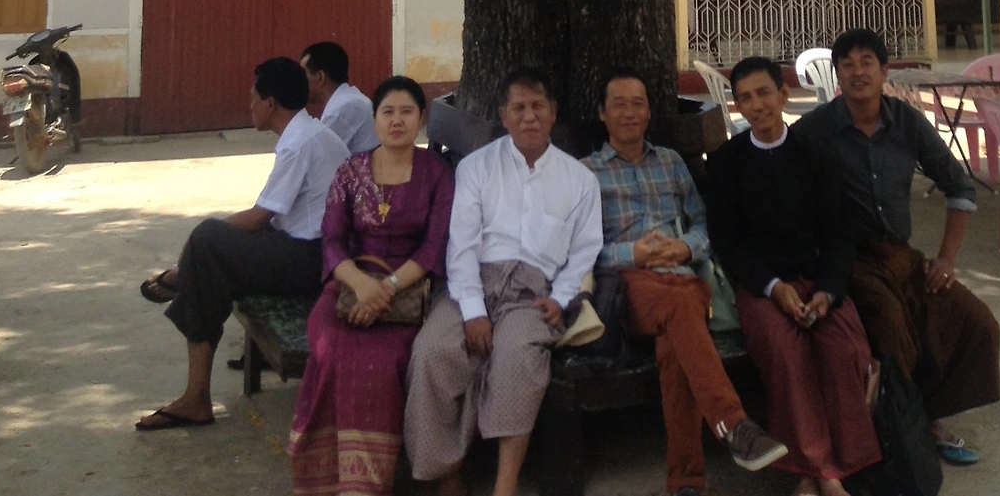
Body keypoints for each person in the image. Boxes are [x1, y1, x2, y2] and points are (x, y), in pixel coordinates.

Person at [795, 28, 1000, 467]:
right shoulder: (815, 130)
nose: (858, 72)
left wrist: (947, 259)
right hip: (851, 261)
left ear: (884, 70)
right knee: (890, 327)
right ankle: (907, 433)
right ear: (837, 75)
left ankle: (930, 414)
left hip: (904, 256)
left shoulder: (906, 122)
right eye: (847, 65)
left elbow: (959, 186)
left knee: (975, 320)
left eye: (867, 62)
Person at [583, 71, 788, 494]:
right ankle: (733, 424)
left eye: (638, 103)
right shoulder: (586, 173)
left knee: (675, 343)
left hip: (684, 280)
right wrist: (633, 254)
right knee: (679, 309)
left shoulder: (671, 162)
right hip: (629, 285)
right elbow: (578, 251)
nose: (629, 112)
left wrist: (685, 248)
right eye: (619, 104)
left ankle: (687, 483)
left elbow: (705, 225)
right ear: (602, 113)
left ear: (649, 111)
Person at [404, 66, 603, 496]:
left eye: (538, 106)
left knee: (517, 361)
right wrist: (473, 311)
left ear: (553, 111)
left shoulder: (580, 180)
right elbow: (461, 246)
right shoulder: (476, 168)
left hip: (534, 293)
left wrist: (561, 298)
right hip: (473, 282)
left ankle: (505, 483)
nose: (529, 117)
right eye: (519, 108)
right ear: (504, 115)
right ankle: (447, 476)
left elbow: (584, 251)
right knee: (432, 352)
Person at [135, 56, 348, 431]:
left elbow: (259, 217)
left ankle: (195, 392)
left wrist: (197, 241)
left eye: (253, 97)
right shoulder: (307, 134)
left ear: (270, 103)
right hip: (308, 248)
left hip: (312, 258)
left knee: (207, 239)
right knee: (210, 258)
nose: (249, 105)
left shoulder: (299, 143)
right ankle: (186, 282)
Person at [706, 56, 880, 496]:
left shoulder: (817, 154)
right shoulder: (727, 162)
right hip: (763, 285)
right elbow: (728, 242)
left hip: (816, 279)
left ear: (783, 95)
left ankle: (820, 471)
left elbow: (840, 234)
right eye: (745, 98)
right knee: (786, 353)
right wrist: (772, 287)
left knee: (843, 348)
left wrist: (828, 291)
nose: (757, 105)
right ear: (737, 105)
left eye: (764, 93)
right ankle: (822, 473)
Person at [289, 75, 453, 496]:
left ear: (421, 118)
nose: (397, 121)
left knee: (384, 361)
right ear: (375, 118)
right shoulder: (350, 170)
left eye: (407, 112)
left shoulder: (437, 173)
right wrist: (362, 285)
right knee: (330, 347)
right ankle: (329, 476)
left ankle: (367, 481)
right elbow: (331, 240)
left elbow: (434, 247)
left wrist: (387, 289)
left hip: (408, 290)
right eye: (388, 112)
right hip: (349, 284)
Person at [303, 41, 379, 154]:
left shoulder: (343, 108)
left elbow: (316, 156)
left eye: (303, 75)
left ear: (320, 77)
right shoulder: (347, 100)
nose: (299, 82)